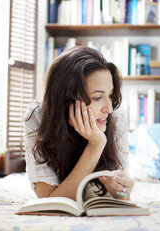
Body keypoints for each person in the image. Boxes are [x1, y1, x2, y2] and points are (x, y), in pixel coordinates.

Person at [23, 46, 134, 201]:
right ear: (66, 99)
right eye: (97, 98)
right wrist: (95, 145)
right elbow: (49, 200)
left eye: (110, 95)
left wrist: (122, 193)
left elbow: (120, 195)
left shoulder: (117, 118)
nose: (109, 108)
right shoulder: (38, 117)